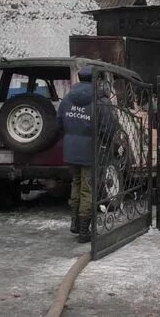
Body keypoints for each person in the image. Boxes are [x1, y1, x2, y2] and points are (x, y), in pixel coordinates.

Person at [58, 66, 114, 243]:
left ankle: (75, 222)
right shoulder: (100, 101)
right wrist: (105, 143)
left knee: (76, 183)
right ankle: (84, 230)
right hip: (90, 150)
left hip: (71, 149)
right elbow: (108, 128)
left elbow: (59, 123)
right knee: (88, 188)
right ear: (96, 80)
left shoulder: (67, 99)